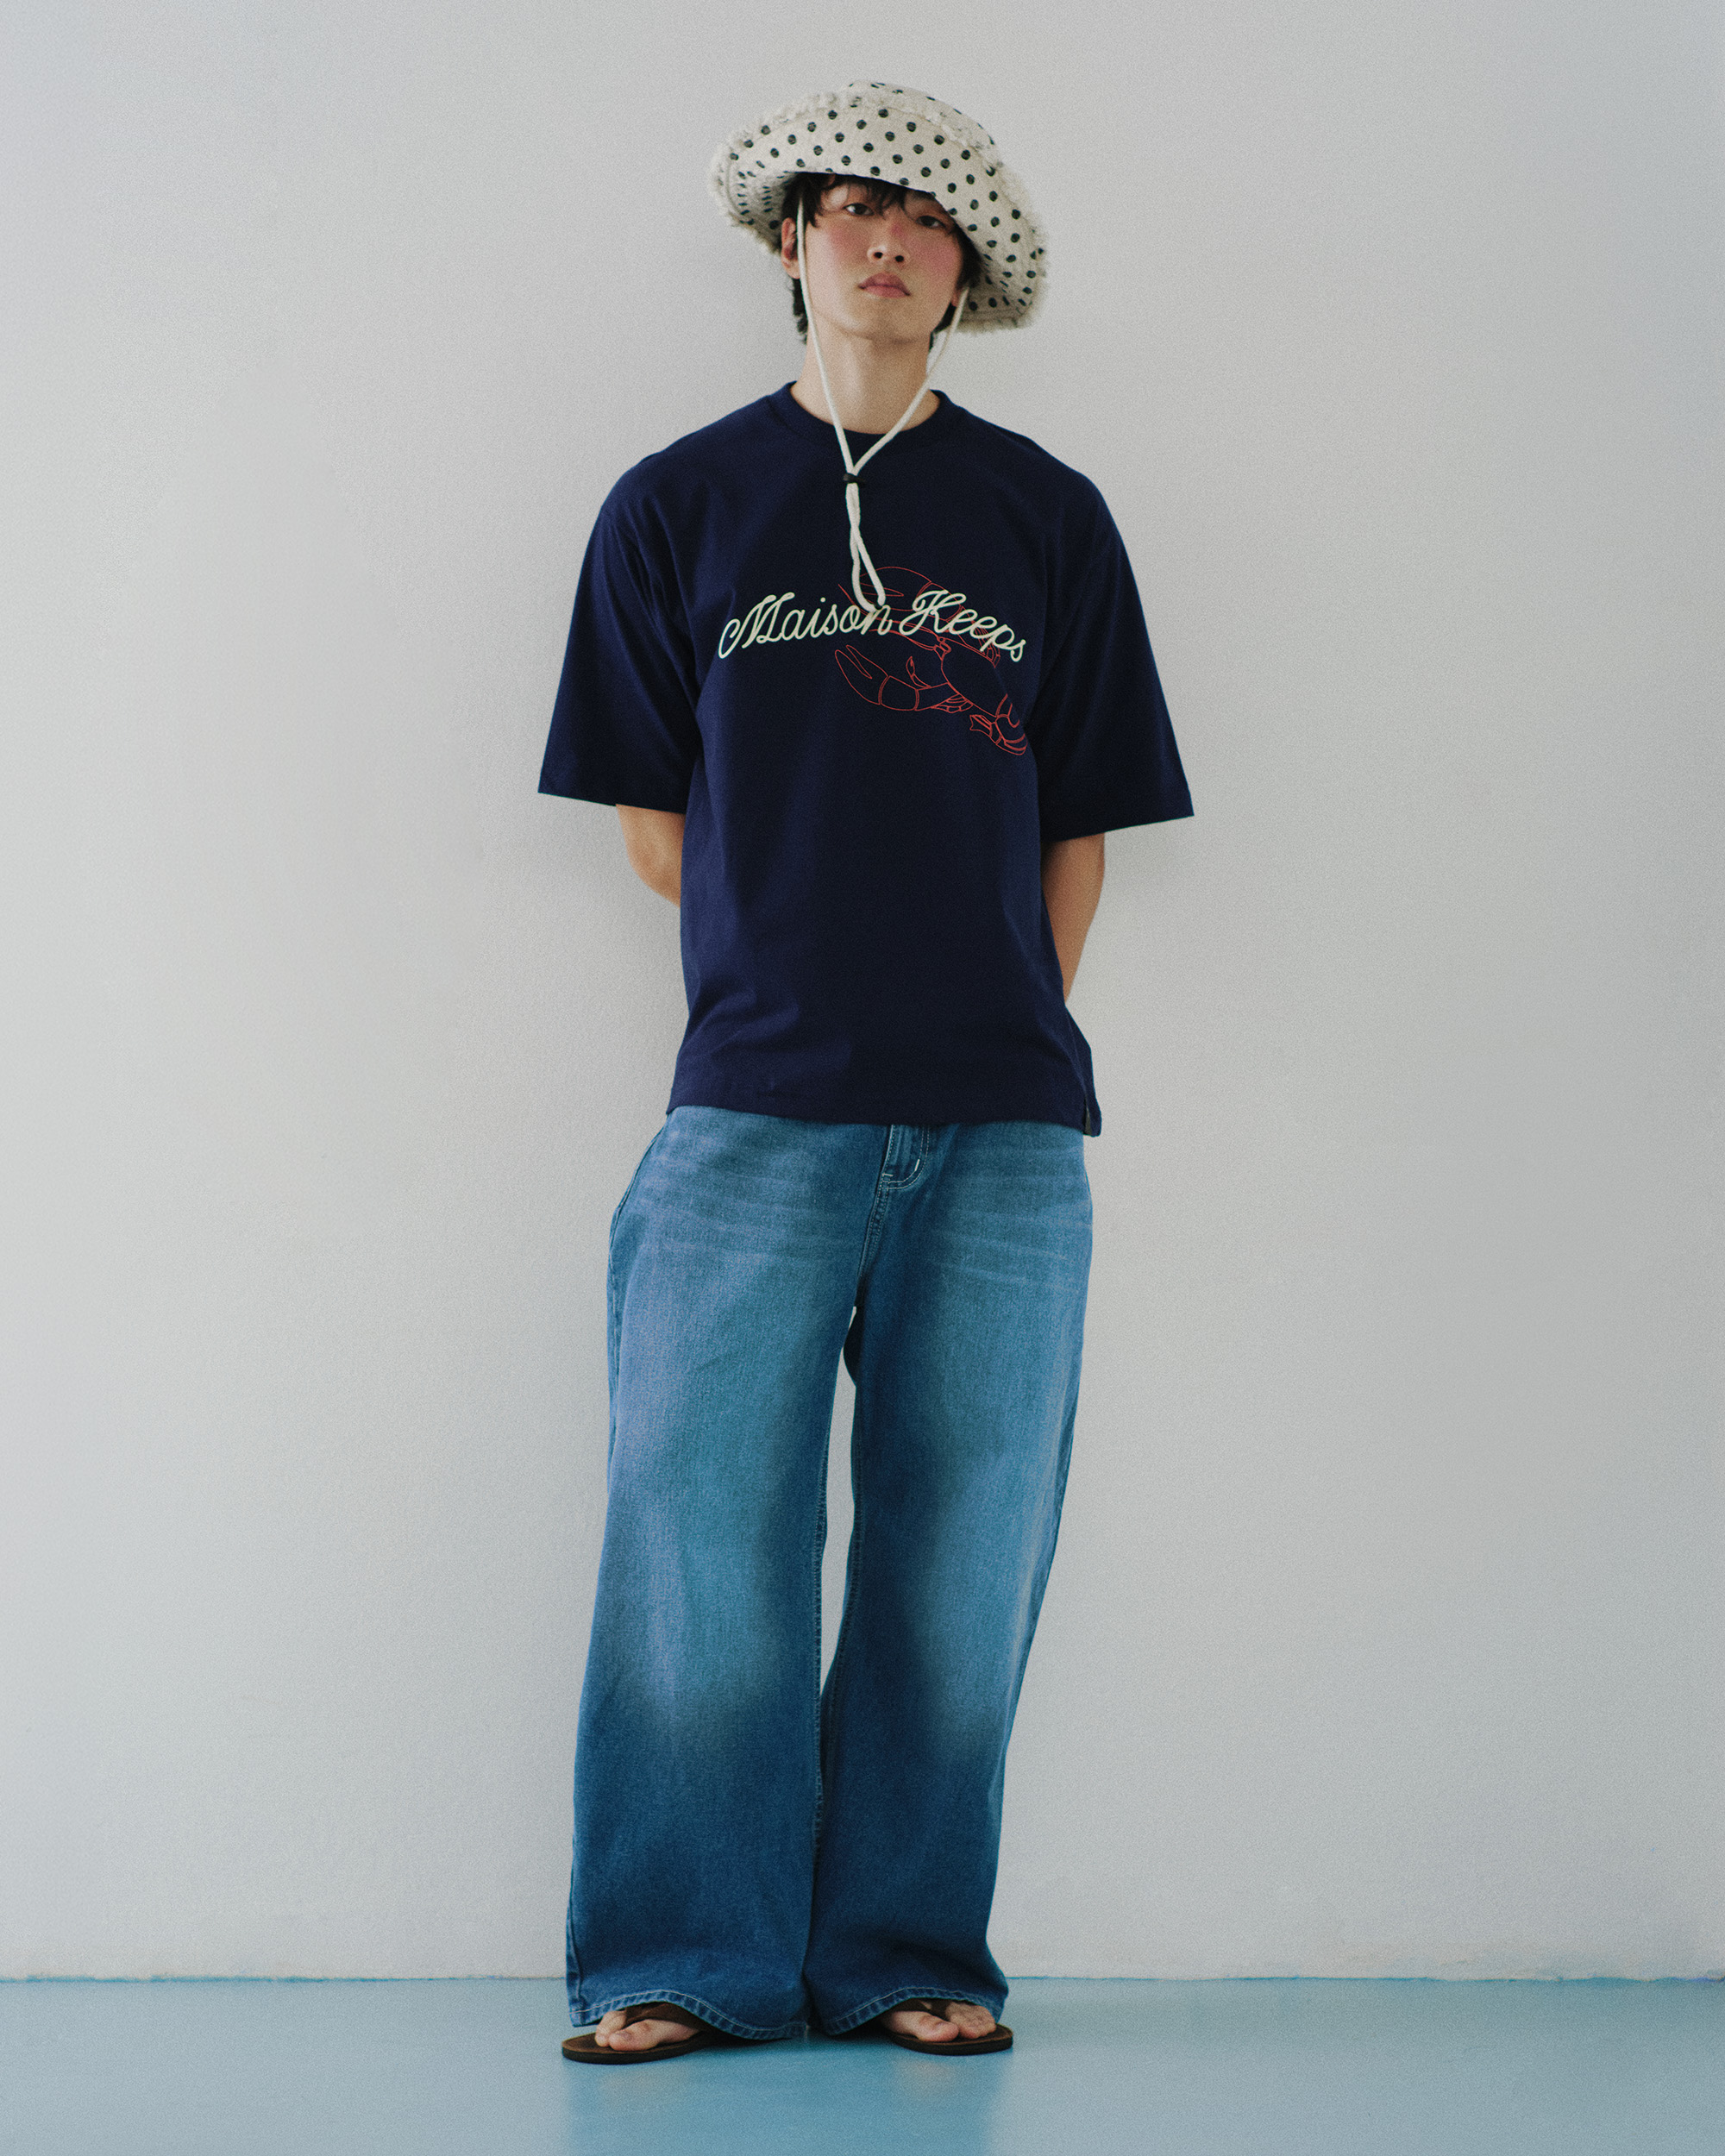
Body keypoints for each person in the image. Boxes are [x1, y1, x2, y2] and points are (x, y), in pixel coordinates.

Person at [540, 81, 1191, 2065]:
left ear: (961, 271)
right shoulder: (676, 505)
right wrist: (808, 966)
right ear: (793, 246)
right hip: (751, 1103)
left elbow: (1078, 826)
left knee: (959, 1553)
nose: (886, 240)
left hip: (1002, 1127)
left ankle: (907, 1946)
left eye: (924, 219)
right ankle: (683, 1953)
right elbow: (656, 825)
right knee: (698, 1544)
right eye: (849, 209)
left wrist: (989, 1006)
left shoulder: (1045, 518)